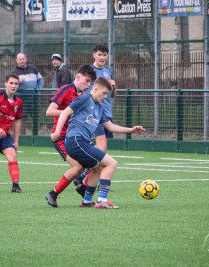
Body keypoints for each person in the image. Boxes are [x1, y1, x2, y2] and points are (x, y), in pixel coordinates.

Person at [46, 77, 145, 208]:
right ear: (95, 89)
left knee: (99, 167)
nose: (105, 97)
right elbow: (65, 113)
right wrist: (57, 132)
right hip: (76, 141)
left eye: (107, 94)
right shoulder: (84, 99)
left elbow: (110, 126)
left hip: (82, 142)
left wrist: (131, 130)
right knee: (111, 163)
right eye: (104, 93)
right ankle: (102, 200)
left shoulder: (100, 107)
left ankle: (86, 200)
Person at [44, 65, 96, 206]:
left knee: (96, 159)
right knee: (78, 167)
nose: (88, 85)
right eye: (86, 81)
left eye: (90, 83)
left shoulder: (84, 96)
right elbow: (49, 111)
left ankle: (82, 187)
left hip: (76, 138)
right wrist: (68, 111)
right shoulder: (66, 90)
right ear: (77, 77)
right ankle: (53, 194)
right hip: (61, 137)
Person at [73, 44, 116, 191]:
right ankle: (90, 180)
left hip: (106, 114)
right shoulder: (90, 72)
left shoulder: (108, 71)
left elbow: (112, 93)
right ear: (94, 55)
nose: (102, 57)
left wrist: (113, 87)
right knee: (101, 147)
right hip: (94, 114)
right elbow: (86, 91)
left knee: (102, 148)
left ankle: (85, 178)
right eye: (100, 54)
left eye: (105, 55)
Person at [11, 53, 44, 135]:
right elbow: (11, 86)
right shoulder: (14, 72)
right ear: (16, 60)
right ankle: (22, 137)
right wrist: (17, 81)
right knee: (22, 118)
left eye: (23, 59)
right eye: (20, 59)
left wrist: (39, 91)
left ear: (25, 59)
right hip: (21, 99)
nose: (22, 61)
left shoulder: (33, 68)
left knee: (36, 117)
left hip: (34, 98)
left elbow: (40, 79)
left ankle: (35, 137)